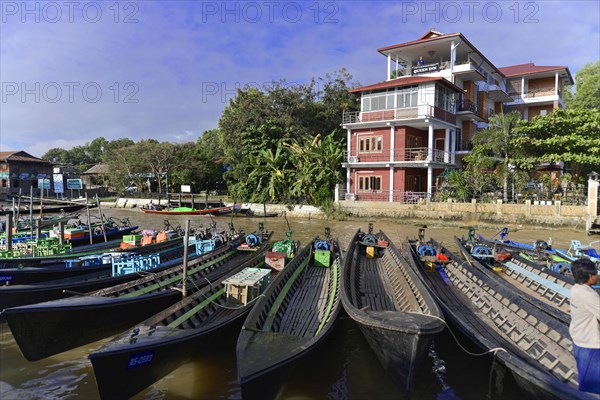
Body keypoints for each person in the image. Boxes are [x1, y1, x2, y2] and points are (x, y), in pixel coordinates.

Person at [569, 258, 600, 394]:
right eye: (595, 273)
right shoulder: (590, 296)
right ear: (589, 277)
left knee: (584, 372)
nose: (597, 276)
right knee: (593, 385)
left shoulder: (576, 289)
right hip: (590, 344)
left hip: (578, 337)